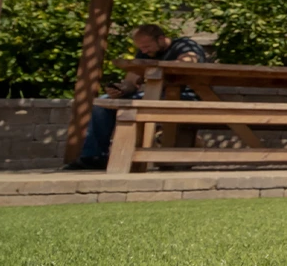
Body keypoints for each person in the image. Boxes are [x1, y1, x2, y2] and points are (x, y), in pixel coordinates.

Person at [65, 24, 207, 170]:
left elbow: (188, 62)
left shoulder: (185, 46)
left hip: (186, 96)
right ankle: (94, 156)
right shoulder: (144, 53)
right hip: (154, 95)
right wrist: (121, 89)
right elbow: (130, 81)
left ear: (161, 38)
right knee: (102, 103)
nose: (144, 50)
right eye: (141, 48)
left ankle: (125, 158)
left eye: (147, 46)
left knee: (134, 104)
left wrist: (158, 70)